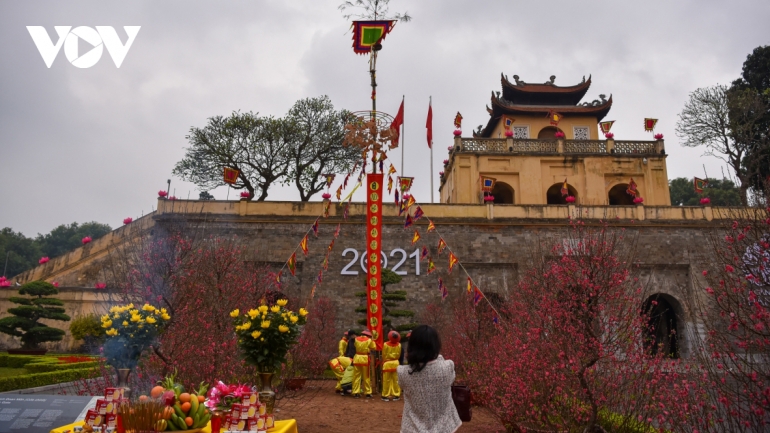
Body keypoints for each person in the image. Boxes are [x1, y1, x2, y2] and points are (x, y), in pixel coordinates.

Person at [397, 325, 461, 433]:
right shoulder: (448, 367)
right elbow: (450, 377)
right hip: (445, 428)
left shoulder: (402, 372)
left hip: (412, 428)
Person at [352, 328, 376, 398]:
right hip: (365, 359)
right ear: (368, 335)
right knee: (366, 376)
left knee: (356, 376)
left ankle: (356, 392)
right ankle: (368, 392)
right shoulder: (369, 340)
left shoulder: (356, 339)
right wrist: (373, 340)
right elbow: (373, 347)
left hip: (357, 358)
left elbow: (356, 346)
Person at [381, 330, 402, 402]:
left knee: (386, 380)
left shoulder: (385, 344)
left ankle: (385, 395)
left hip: (387, 363)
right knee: (396, 380)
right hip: (396, 363)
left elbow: (383, 354)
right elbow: (399, 354)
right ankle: (396, 394)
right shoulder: (399, 345)